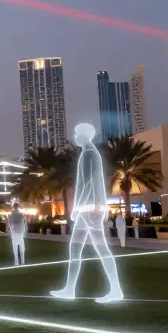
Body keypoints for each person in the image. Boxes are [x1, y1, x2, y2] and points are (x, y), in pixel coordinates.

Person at [50, 123, 123, 304]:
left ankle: (116, 289)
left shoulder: (89, 154)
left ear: (83, 135)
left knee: (100, 249)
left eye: (75, 133)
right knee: (76, 248)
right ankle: (70, 289)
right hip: (90, 210)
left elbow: (89, 183)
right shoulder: (89, 153)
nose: (74, 136)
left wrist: (77, 207)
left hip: (89, 210)